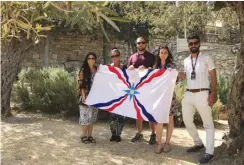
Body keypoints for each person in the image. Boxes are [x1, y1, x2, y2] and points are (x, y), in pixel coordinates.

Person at [179, 33, 217, 164]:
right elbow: (187, 76)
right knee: (187, 120)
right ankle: (198, 143)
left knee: (208, 123)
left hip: (203, 93)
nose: (193, 45)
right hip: (189, 94)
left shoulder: (206, 58)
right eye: (191, 43)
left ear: (199, 43)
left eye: (195, 43)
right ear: (188, 45)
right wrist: (175, 74)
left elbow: (213, 75)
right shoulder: (185, 61)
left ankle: (210, 152)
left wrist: (213, 93)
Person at [127, 37, 156, 145]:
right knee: (138, 111)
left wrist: (148, 69)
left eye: (143, 42)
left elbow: (155, 71)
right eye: (139, 43)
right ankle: (139, 133)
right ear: (136, 44)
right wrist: (129, 69)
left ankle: (153, 134)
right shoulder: (132, 57)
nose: (141, 44)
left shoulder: (151, 57)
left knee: (149, 111)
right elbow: (128, 72)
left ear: (146, 44)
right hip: (136, 88)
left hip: (148, 87)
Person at [154, 45, 178, 154]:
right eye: (161, 52)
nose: (163, 54)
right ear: (159, 54)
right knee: (159, 120)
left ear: (168, 54)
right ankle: (159, 144)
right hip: (158, 97)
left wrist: (171, 73)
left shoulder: (172, 66)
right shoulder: (155, 67)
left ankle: (167, 143)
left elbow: (176, 81)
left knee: (170, 120)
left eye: (165, 52)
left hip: (170, 96)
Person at [78, 52, 98, 144]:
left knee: (92, 117)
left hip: (95, 98)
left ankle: (90, 136)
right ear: (87, 60)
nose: (91, 60)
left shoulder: (97, 69)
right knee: (85, 117)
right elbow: (81, 83)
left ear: (95, 59)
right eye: (89, 58)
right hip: (85, 96)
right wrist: (83, 96)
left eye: (93, 58)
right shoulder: (83, 70)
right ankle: (84, 135)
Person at [108, 48, 127, 142]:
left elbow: (129, 79)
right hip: (112, 95)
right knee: (112, 117)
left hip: (122, 95)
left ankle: (118, 134)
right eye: (113, 56)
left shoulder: (124, 67)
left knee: (121, 117)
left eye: (116, 55)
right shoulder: (108, 68)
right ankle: (113, 134)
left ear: (119, 56)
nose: (115, 57)